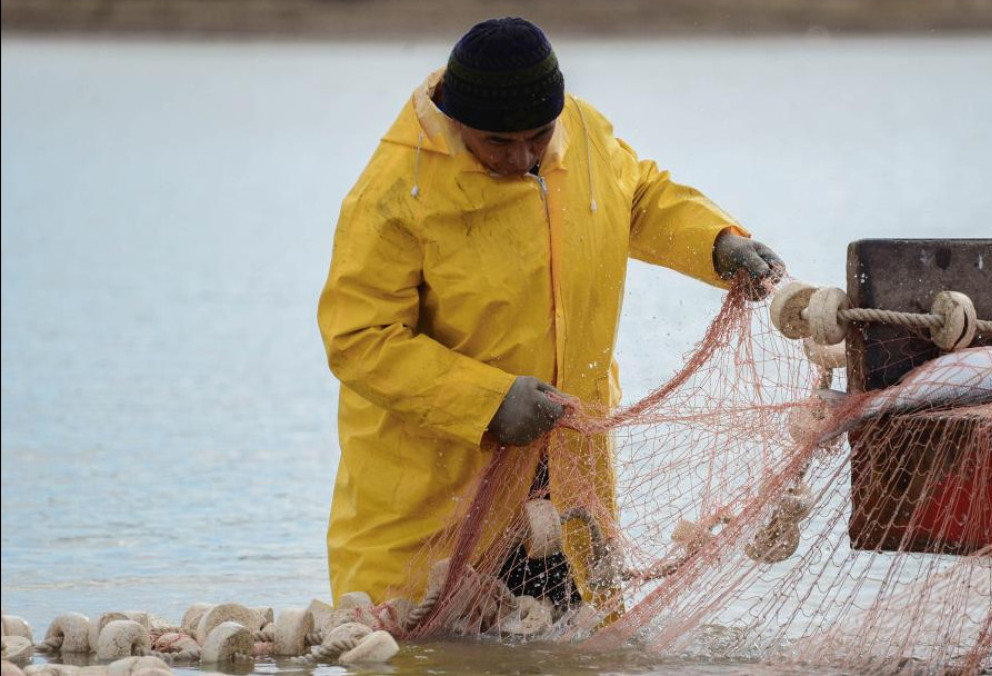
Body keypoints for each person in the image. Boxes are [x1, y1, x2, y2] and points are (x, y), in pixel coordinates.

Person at [317, 17, 785, 616]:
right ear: (457, 122)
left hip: (565, 479)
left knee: (577, 638)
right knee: (420, 646)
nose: (524, 157)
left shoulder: (583, 132)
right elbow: (358, 339)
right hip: (436, 494)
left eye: (538, 136)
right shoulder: (393, 194)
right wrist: (489, 401)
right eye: (499, 144)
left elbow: (637, 196)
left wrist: (718, 243)